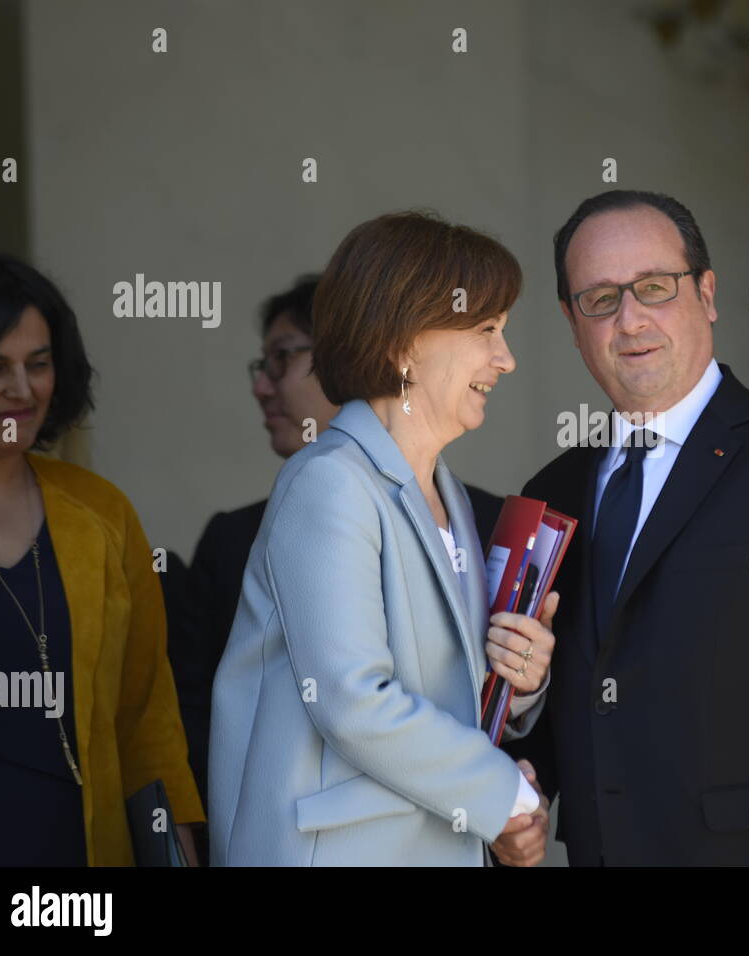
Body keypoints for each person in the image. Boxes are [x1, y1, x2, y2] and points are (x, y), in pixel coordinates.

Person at [510, 190, 749, 865]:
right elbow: (548, 720)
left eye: (655, 288)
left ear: (708, 294)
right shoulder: (552, 494)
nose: (630, 320)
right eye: (600, 300)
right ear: (572, 323)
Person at [208, 211, 555, 866]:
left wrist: (518, 682)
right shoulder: (331, 482)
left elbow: (436, 694)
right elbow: (352, 701)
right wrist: (504, 792)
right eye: (486, 330)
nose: (505, 359)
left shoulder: (444, 492)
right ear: (401, 345)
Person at [0, 247, 202, 865]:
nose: (21, 391)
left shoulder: (100, 511)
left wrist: (173, 834)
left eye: (38, 364)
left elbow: (145, 708)